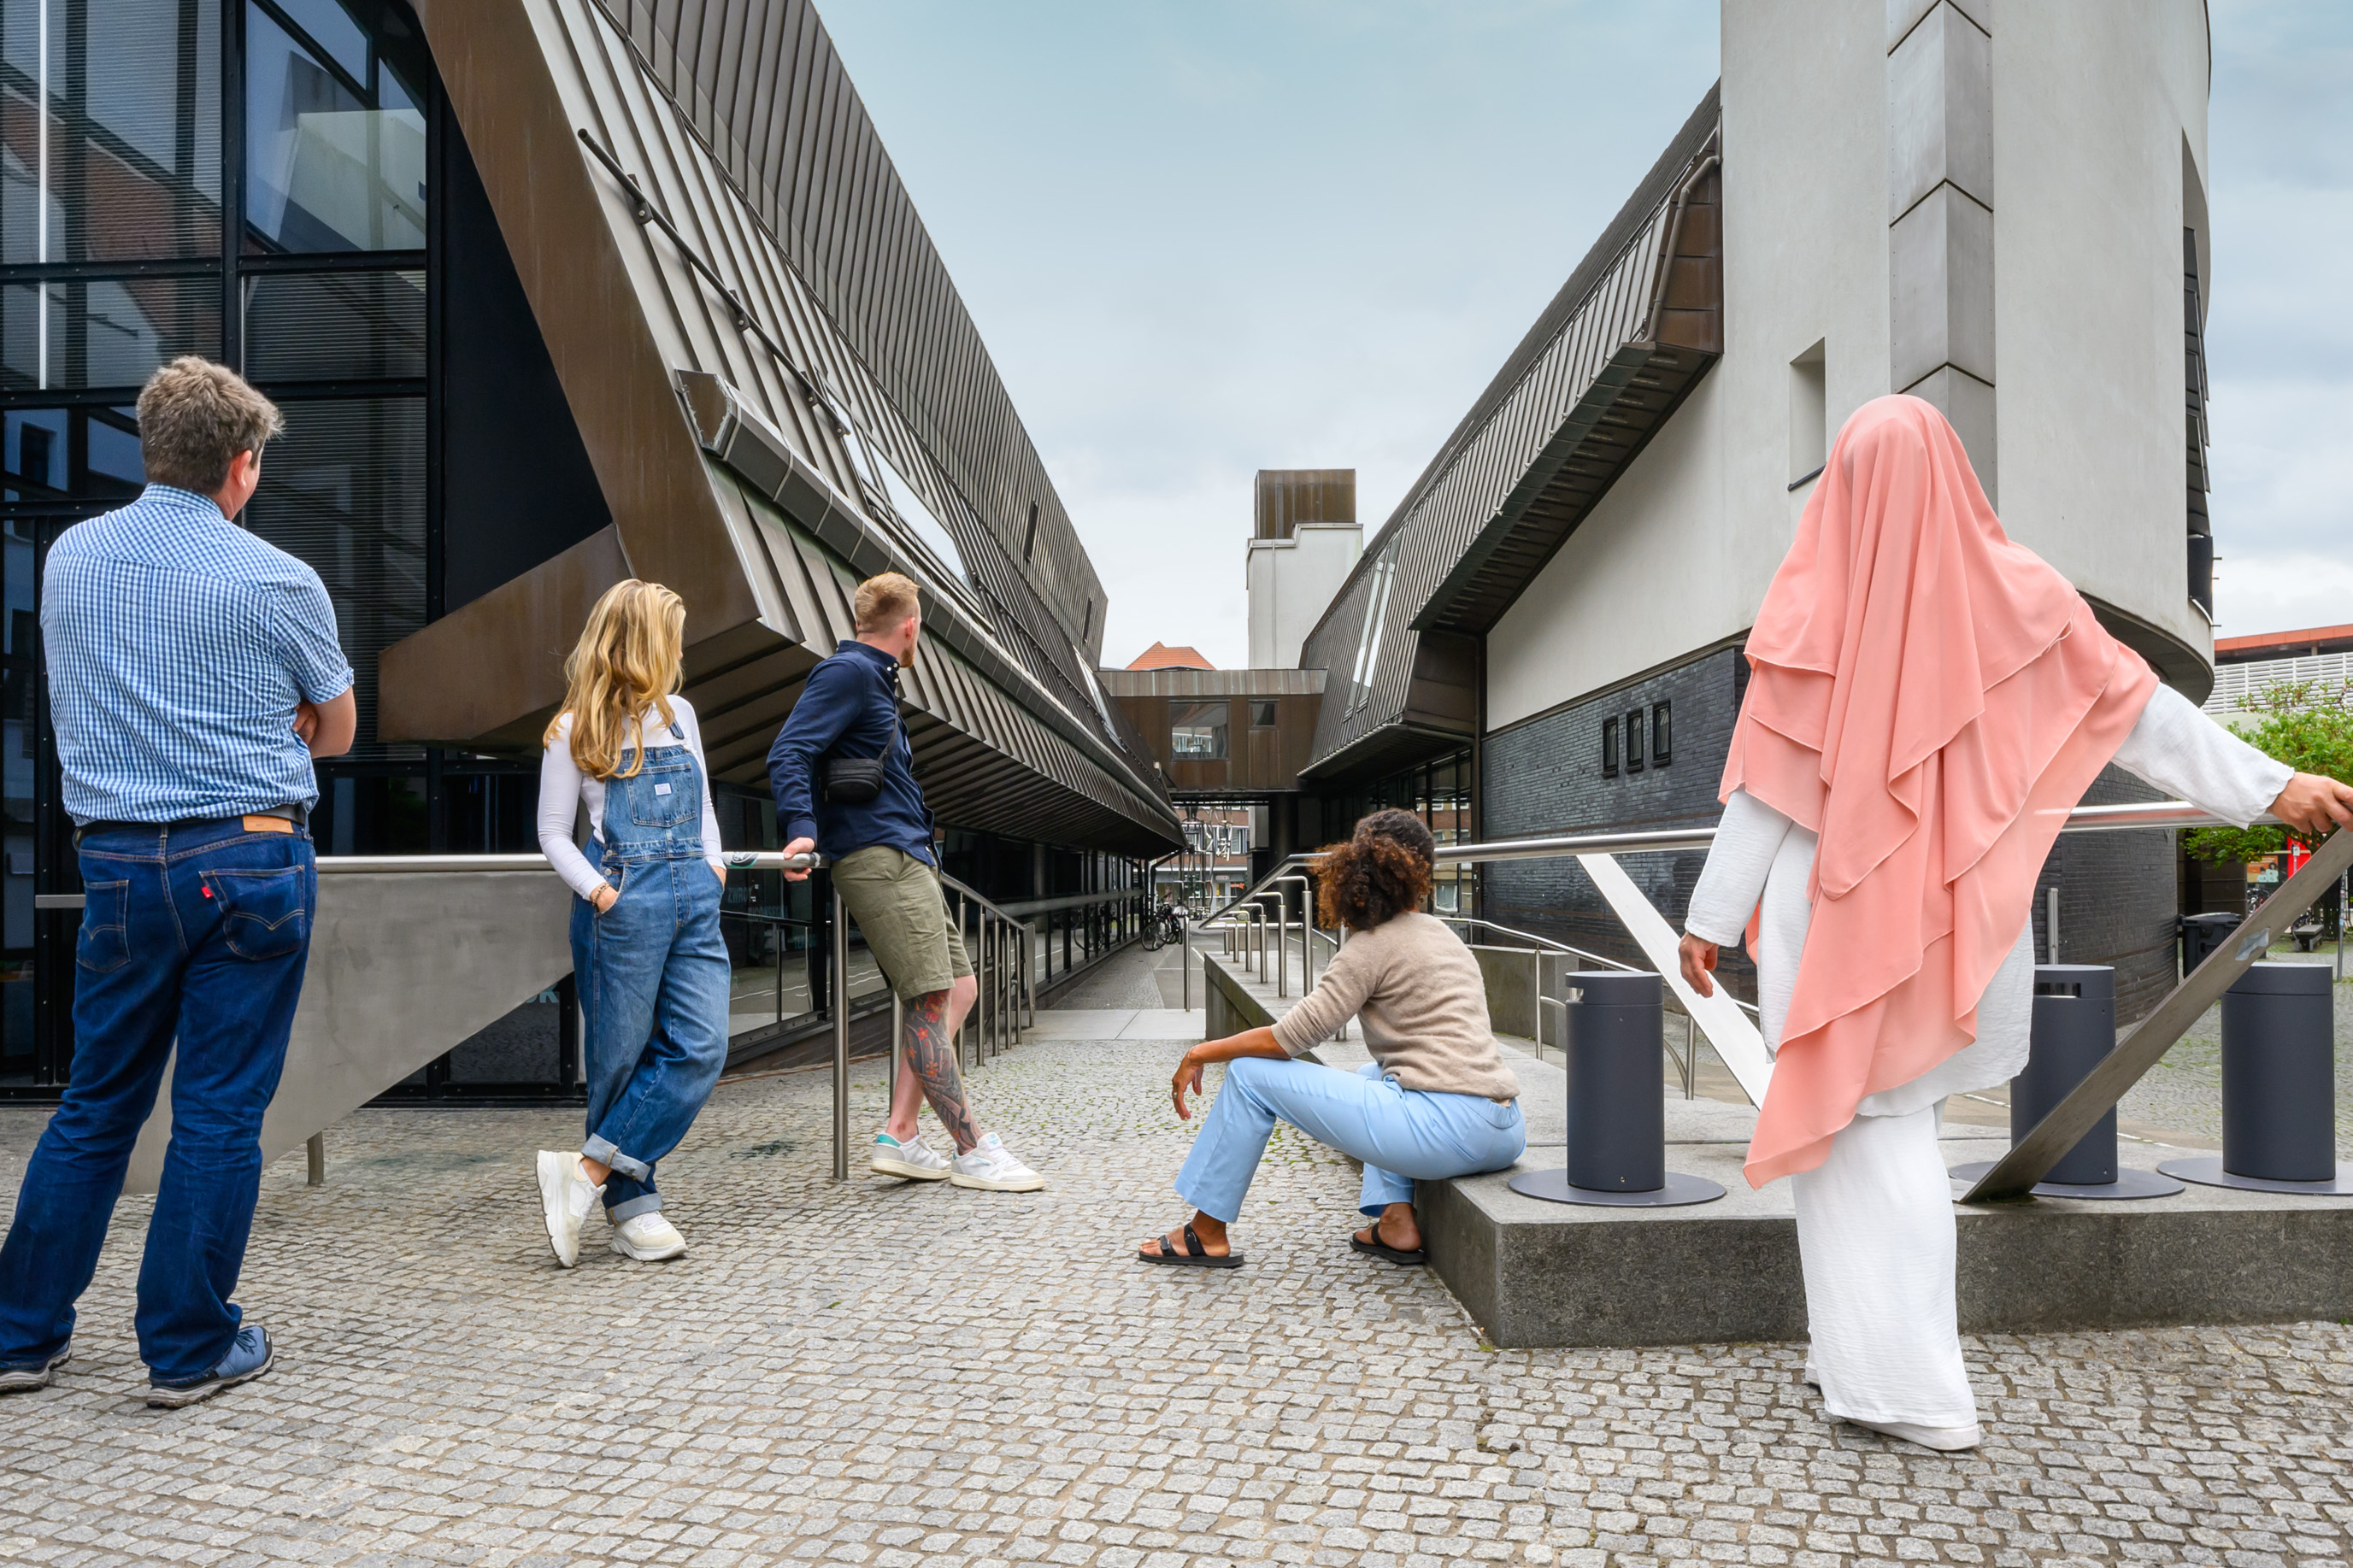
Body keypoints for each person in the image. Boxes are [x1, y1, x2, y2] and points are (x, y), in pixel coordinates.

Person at [1676, 394, 2353, 1452]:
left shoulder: (1813, 606)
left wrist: (1709, 920)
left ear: (1842, 490)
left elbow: (1761, 789)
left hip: (1836, 922)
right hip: (1954, 919)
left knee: (1865, 1139)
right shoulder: (2023, 597)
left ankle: (1911, 1388)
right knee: (1876, 1134)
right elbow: (2142, 718)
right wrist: (2269, 786)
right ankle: (1853, 1356)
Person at [0, 358, 355, 1407]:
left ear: (151, 449)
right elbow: (334, 728)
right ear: (241, 466)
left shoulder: (70, 557)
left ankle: (20, 1334)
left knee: (95, 1102)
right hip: (248, 856)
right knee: (215, 1112)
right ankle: (188, 1344)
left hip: (114, 862)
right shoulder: (278, 576)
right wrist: (277, 719)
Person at [1138, 809, 1525, 1267]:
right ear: (1420, 873)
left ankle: (1205, 1232)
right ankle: (1395, 1220)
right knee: (1370, 1072)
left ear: (1355, 868)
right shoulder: (1444, 936)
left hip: (1447, 1134)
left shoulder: (1372, 945)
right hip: (1505, 1129)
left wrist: (1200, 1052)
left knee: (1247, 1075)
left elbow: (1289, 1039)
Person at [767, 572, 1044, 1192]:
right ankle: (971, 1150)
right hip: (877, 858)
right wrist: (802, 828)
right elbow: (789, 750)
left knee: (962, 988)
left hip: (905, 855)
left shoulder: (876, 681)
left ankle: (900, 1131)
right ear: (910, 626)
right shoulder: (849, 674)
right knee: (927, 1003)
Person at [532, 579, 732, 1267]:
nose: (678, 648)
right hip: (622, 903)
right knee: (618, 1061)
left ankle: (584, 1173)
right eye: (670, 634)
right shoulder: (572, 729)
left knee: (701, 1045)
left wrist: (713, 866)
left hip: (693, 902)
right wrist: (600, 893)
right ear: (642, 642)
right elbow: (554, 833)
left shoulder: (680, 714)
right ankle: (632, 1206)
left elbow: (703, 804)